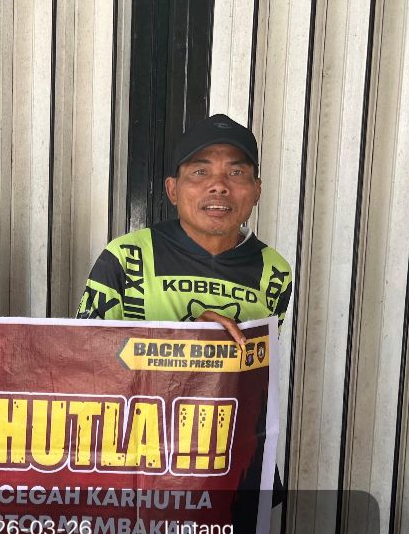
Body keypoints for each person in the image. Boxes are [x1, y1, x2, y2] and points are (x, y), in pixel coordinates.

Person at [77, 113, 292, 498]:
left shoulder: (274, 271)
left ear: (256, 190)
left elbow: (255, 378)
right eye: (200, 172)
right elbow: (82, 366)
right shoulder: (126, 257)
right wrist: (190, 335)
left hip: (229, 470)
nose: (219, 186)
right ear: (173, 189)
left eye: (236, 173)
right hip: (137, 468)